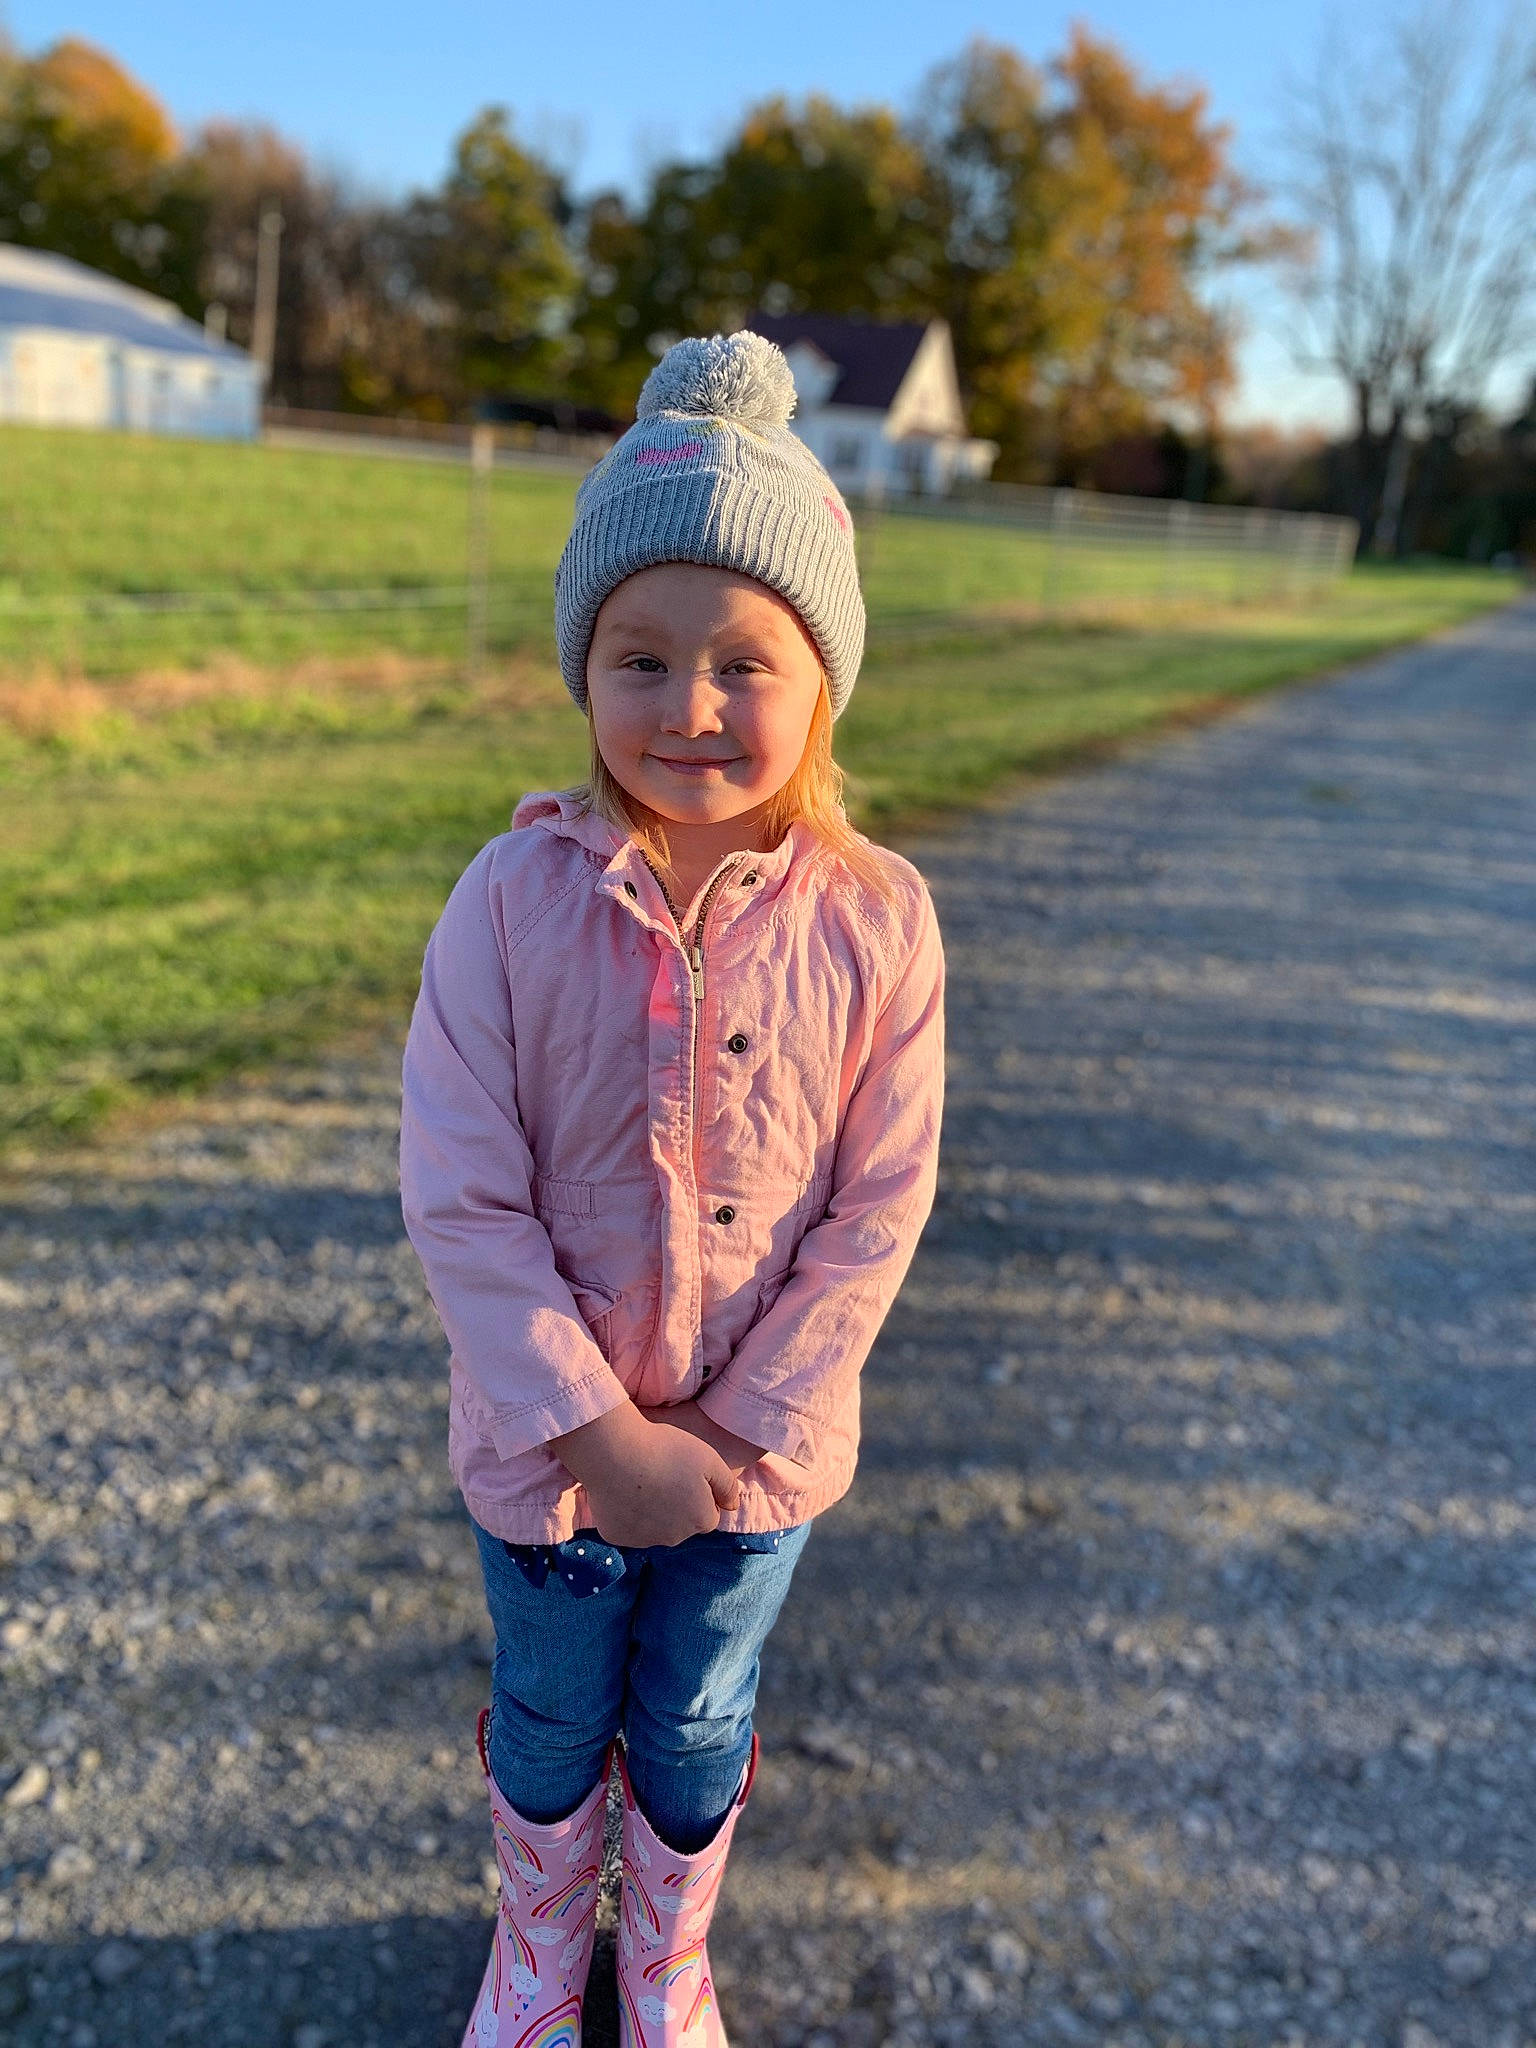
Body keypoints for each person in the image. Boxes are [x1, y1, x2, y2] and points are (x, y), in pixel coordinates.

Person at [399, 329, 946, 2048]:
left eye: (741, 663)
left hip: (758, 1470)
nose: (690, 707)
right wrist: (593, 1433)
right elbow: (461, 1195)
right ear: (585, 672)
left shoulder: (879, 922)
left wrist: (729, 1438)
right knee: (553, 1716)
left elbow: (880, 1207)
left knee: (698, 1718)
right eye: (640, 658)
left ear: (821, 681)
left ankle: (668, 1956)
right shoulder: (503, 902)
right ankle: (543, 1947)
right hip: (545, 1465)